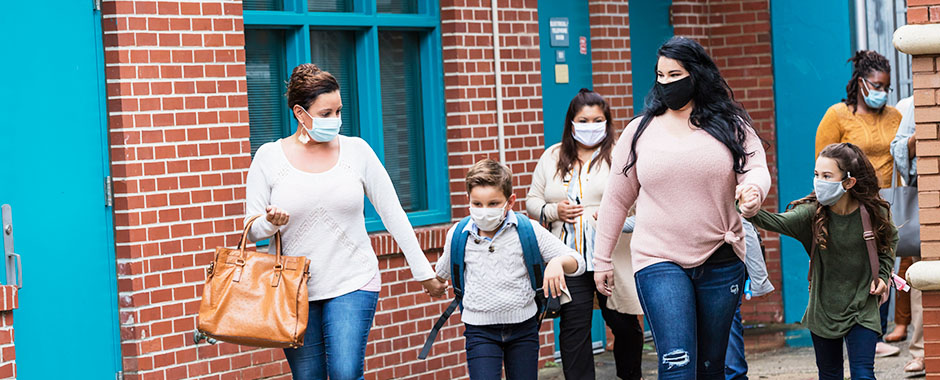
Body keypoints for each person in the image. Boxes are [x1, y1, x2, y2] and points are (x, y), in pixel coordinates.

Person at [244, 63, 446, 380]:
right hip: (293, 290)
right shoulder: (269, 158)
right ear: (300, 113)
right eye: (326, 114)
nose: (336, 120)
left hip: (353, 280)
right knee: (308, 375)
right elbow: (252, 227)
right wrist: (270, 223)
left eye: (338, 111)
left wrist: (422, 271)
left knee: (345, 372)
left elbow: (393, 213)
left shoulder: (357, 152)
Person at [594, 36, 771, 379]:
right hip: (658, 258)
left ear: (696, 75)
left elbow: (756, 168)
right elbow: (616, 198)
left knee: (710, 367)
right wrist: (601, 259)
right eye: (660, 75)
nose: (665, 83)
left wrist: (753, 189)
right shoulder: (639, 131)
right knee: (677, 364)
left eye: (674, 74)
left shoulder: (730, 124)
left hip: (720, 257)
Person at [744, 142, 895, 380]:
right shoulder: (811, 214)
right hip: (823, 309)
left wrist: (884, 277)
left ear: (848, 182)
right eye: (816, 174)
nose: (819, 181)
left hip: (862, 305)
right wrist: (747, 207)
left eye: (827, 175)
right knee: (829, 374)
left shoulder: (873, 213)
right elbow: (776, 222)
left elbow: (887, 246)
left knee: (864, 374)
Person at [527, 89, 644, 380]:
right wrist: (554, 211)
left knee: (623, 322)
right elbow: (532, 201)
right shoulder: (552, 156)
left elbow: (642, 200)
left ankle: (631, 375)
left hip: (613, 256)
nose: (591, 126)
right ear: (571, 122)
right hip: (569, 259)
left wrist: (612, 214)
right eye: (583, 120)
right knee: (574, 326)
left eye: (597, 120)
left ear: (607, 122)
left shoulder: (621, 154)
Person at [434, 159, 585, 379]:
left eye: (493, 203)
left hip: (523, 329)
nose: (484, 211)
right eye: (477, 204)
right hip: (480, 331)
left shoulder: (527, 229)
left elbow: (577, 262)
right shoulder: (459, 234)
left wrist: (557, 262)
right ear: (468, 200)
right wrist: (432, 283)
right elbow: (441, 275)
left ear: (510, 201)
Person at [814, 50, 902, 357]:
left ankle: (873, 334)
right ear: (861, 82)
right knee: (855, 265)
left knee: (882, 265)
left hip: (886, 201)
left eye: (886, 88)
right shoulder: (837, 115)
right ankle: (847, 330)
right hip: (849, 203)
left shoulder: (894, 116)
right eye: (876, 86)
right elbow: (823, 162)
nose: (881, 93)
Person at [890, 95, 925, 373]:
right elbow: (898, 151)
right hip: (925, 201)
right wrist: (917, 136)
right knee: (922, 275)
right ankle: (922, 351)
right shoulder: (913, 104)